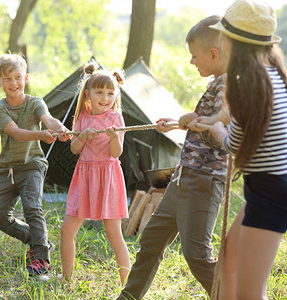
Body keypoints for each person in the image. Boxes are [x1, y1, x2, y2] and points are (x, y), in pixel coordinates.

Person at [117, 15, 229, 299]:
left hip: (204, 182)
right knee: (152, 240)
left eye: (194, 56)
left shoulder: (228, 85)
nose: (192, 62)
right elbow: (204, 120)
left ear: (214, 54)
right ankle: (129, 297)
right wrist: (181, 122)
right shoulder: (218, 82)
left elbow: (221, 128)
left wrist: (195, 122)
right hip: (183, 178)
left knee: (197, 257)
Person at [209, 0, 287, 299]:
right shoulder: (271, 73)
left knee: (251, 293)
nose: (220, 40)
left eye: (223, 34)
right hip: (274, 187)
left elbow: (233, 144)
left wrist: (216, 129)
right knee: (228, 258)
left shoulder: (246, 83)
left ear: (233, 42)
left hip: (270, 194)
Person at [0, 54, 70, 276]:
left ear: (26, 78)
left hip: (32, 164)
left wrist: (59, 128)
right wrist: (41, 135)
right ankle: (37, 241)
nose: (13, 83)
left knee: (32, 207)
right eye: (7, 79)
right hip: (7, 168)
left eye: (17, 77)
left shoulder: (35, 102)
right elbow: (15, 132)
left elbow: (49, 120)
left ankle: (42, 258)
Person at [60, 62, 130, 285]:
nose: (105, 97)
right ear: (88, 93)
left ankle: (126, 283)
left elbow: (116, 153)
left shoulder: (116, 118)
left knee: (114, 233)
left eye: (110, 93)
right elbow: (74, 149)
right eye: (99, 92)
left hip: (108, 176)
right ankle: (67, 278)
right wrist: (83, 136)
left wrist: (112, 137)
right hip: (85, 175)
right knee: (67, 230)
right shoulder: (83, 116)